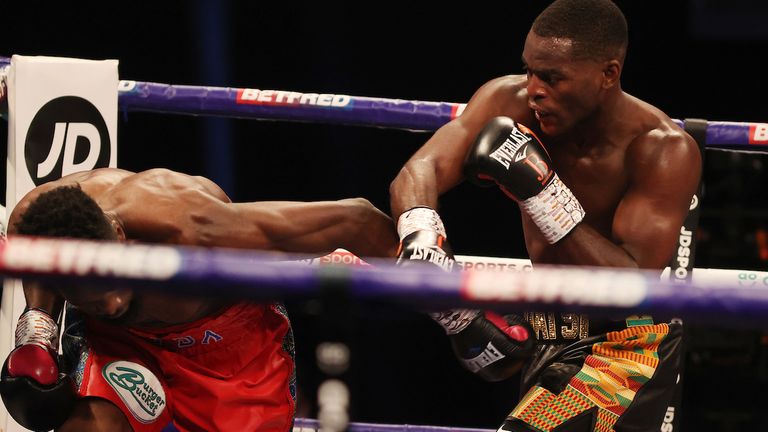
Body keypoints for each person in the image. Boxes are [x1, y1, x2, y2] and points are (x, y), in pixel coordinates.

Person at [390, 0, 701, 430]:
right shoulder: (510, 100)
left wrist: (546, 195)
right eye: (531, 70)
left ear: (608, 74)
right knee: (366, 227)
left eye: (552, 78)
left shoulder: (661, 149)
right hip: (546, 327)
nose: (534, 89)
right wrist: (422, 235)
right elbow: (420, 169)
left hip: (625, 348)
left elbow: (633, 285)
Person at [1, 167, 399, 432]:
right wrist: (37, 329)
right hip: (122, 344)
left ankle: (308, 264)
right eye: (89, 299)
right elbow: (40, 267)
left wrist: (446, 300)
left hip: (231, 344)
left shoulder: (190, 225)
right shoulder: (35, 226)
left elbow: (357, 219)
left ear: (120, 236)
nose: (112, 304)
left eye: (114, 283)